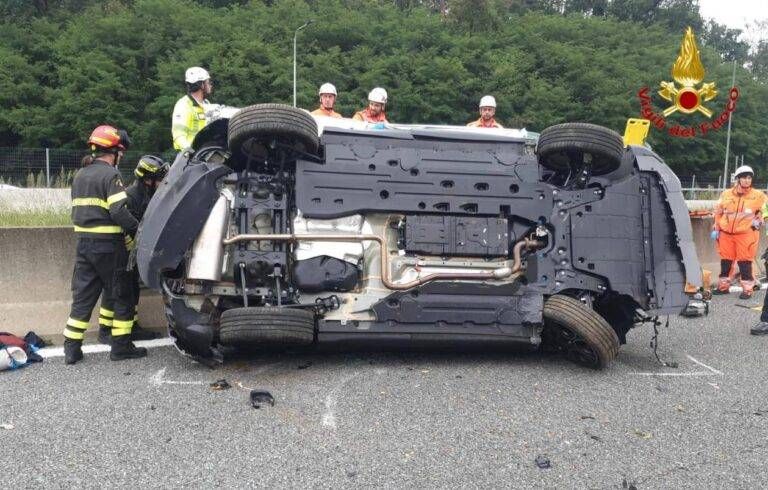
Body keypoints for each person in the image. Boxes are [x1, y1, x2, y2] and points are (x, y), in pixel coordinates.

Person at [63, 125, 147, 364]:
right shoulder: (111, 175)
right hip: (109, 246)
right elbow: (119, 211)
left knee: (83, 297)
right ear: (115, 151)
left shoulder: (80, 174)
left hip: (84, 245)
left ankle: (72, 348)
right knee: (123, 294)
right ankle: (121, 347)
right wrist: (137, 230)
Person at [97, 155, 168, 345]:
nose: (162, 183)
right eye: (160, 179)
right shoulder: (130, 196)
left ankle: (131, 326)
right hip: (122, 251)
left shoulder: (149, 194)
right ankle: (105, 331)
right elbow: (126, 225)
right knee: (116, 290)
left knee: (132, 289)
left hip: (134, 251)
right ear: (148, 179)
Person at [712, 165, 768, 299]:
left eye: (749, 178)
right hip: (726, 234)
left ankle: (747, 289)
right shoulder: (726, 194)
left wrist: (759, 221)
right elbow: (718, 212)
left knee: (745, 263)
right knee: (726, 262)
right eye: (744, 178)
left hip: (746, 235)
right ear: (738, 179)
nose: (747, 180)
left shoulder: (758, 196)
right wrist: (716, 226)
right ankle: (723, 287)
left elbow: (765, 211)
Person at [172, 66, 213, 150]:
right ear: (201, 85)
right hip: (190, 158)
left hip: (207, 154)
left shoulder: (207, 104)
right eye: (208, 82)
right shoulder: (184, 104)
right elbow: (178, 135)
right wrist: (190, 150)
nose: (210, 85)